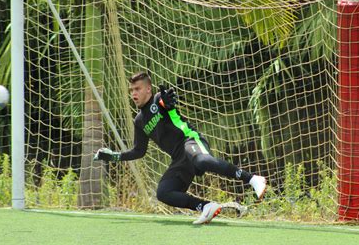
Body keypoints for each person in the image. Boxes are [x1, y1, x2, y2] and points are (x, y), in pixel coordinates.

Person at [94, 72, 266, 224]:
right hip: (179, 158)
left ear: (148, 89)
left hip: (190, 141)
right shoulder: (139, 121)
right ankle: (206, 206)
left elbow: (165, 102)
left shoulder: (158, 99)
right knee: (163, 192)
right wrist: (113, 156)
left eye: (137, 89)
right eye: (131, 90)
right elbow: (138, 151)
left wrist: (166, 102)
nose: (133, 94)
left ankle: (252, 179)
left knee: (202, 160)